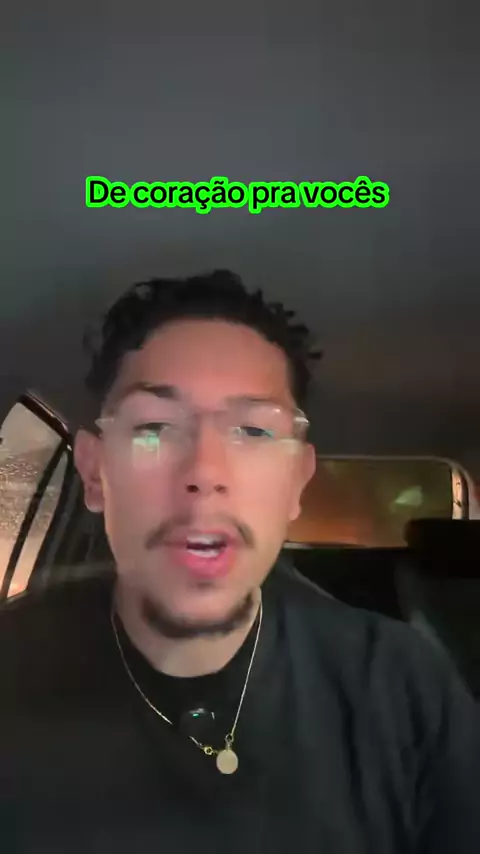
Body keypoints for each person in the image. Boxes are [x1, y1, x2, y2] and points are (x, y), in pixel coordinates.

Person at [0, 269, 478, 853]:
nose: (205, 473)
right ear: (96, 473)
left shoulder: (401, 688)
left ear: (296, 482)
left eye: (252, 431)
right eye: (154, 428)